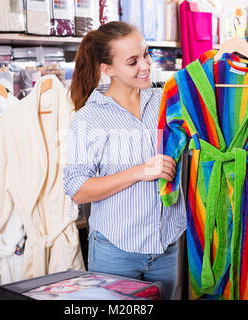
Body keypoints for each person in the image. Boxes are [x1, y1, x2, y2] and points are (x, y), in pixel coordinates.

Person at [64, 21, 186, 300]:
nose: (145, 66)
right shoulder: (89, 118)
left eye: (146, 54)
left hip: (166, 246)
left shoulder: (167, 102)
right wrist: (140, 172)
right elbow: (78, 189)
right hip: (115, 252)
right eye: (133, 62)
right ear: (108, 70)